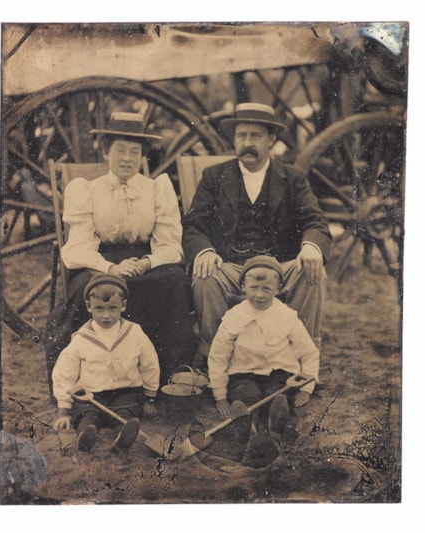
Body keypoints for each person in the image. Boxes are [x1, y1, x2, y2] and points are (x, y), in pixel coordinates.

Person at [44, 112, 196, 389]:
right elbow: (77, 248)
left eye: (134, 152)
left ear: (142, 156)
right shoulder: (87, 190)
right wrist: (111, 269)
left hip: (146, 260)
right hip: (100, 261)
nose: (127, 158)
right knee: (91, 288)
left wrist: (148, 263)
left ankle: (167, 375)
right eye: (120, 151)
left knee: (174, 279)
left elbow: (171, 245)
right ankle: (89, 377)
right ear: (105, 153)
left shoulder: (156, 189)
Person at [182, 102, 332, 366]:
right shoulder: (214, 177)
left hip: (279, 266)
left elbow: (315, 221)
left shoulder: (292, 178)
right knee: (205, 276)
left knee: (313, 272)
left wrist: (311, 247)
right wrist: (205, 251)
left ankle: (304, 359)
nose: (247, 143)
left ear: (271, 140)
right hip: (229, 266)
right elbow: (194, 224)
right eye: (241, 136)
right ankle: (215, 359)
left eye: (256, 136)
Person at [207, 256, 319, 466]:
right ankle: (246, 423)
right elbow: (218, 356)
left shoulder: (286, 316)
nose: (259, 295)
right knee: (246, 395)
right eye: (254, 288)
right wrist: (220, 395)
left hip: (280, 373)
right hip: (243, 374)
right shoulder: (234, 316)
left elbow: (309, 353)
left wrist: (307, 388)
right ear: (243, 287)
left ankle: (278, 424)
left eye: (267, 289)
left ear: (278, 289)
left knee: (280, 396)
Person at [52, 273, 160, 454]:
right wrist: (64, 409)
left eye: (112, 308)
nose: (106, 316)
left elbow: (150, 364)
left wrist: (150, 396)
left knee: (125, 411)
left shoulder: (134, 333)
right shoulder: (82, 338)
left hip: (125, 391)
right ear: (89, 307)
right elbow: (65, 372)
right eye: (99, 309)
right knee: (87, 413)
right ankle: (86, 434)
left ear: (123, 306)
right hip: (92, 394)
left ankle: (122, 437)